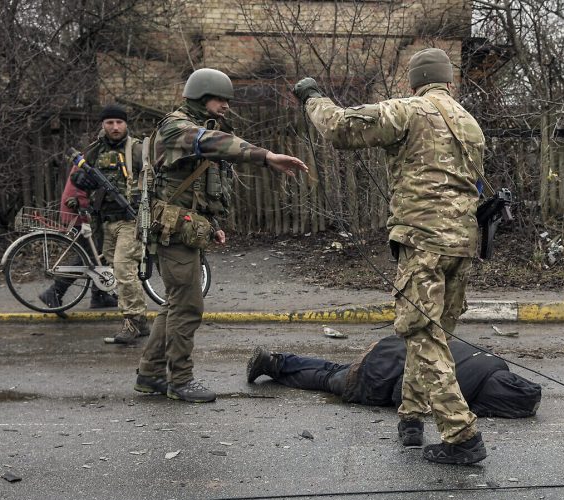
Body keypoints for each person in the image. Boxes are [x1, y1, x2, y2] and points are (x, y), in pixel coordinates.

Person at [293, 47, 488, 464]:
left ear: (415, 82)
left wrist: (313, 97)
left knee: (422, 333)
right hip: (463, 242)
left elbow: (340, 128)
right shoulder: (469, 123)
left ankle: (461, 435)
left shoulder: (410, 110)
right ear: (450, 81)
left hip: (424, 242)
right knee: (433, 335)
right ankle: (412, 418)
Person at [135, 68, 307, 403]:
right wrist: (266, 156)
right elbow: (209, 143)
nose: (226, 106)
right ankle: (180, 380)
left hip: (187, 229)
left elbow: (195, 190)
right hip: (173, 231)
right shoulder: (176, 127)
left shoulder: (205, 129)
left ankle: (149, 374)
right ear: (201, 96)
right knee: (188, 307)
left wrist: (211, 225)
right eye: (220, 99)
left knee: (175, 305)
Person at [245, 335, 542, 419]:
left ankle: (279, 361)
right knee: (327, 378)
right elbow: (403, 390)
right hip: (379, 374)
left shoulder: (492, 362)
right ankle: (272, 365)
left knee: (334, 368)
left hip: (394, 346)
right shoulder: (459, 391)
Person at [39, 104, 140, 315]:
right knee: (89, 255)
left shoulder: (133, 149)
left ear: (126, 124)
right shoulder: (94, 151)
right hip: (83, 211)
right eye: (110, 122)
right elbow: (77, 185)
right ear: (103, 125)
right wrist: (83, 212)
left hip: (101, 213)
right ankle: (55, 291)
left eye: (119, 122)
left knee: (99, 255)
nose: (115, 127)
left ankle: (100, 295)